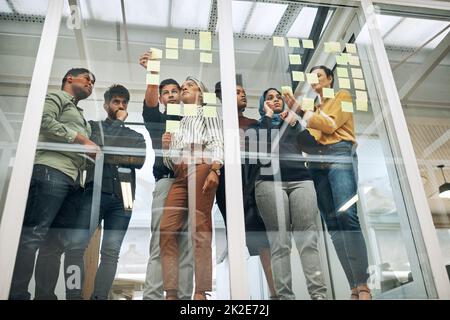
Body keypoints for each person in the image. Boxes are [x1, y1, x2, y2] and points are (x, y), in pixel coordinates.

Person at [33, 84, 146, 300]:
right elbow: (98, 148)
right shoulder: (93, 128)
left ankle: (99, 297)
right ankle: (73, 295)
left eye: (124, 102)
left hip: (125, 197)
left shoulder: (135, 134)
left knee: (111, 253)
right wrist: (116, 138)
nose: (120, 105)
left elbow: (139, 159)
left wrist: (110, 151)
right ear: (106, 105)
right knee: (76, 246)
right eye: (116, 101)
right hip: (94, 192)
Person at [283, 65, 372, 300]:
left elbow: (330, 125)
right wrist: (293, 124)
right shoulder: (312, 107)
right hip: (316, 161)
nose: (315, 80)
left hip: (339, 153)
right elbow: (311, 140)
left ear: (330, 79)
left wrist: (300, 112)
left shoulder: (342, 96)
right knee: (332, 226)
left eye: (319, 76)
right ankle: (354, 287)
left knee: (346, 216)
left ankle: (363, 285)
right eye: (312, 78)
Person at [9, 68, 97, 300]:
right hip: (51, 170)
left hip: (72, 179)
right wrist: (82, 140)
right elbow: (43, 120)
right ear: (70, 78)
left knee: (54, 244)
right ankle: (17, 294)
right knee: (34, 235)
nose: (91, 84)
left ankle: (45, 296)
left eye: (93, 83)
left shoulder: (81, 115)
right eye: (88, 79)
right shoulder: (55, 97)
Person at [252, 88, 327, 300]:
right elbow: (260, 151)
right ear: (262, 104)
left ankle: (319, 295)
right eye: (269, 98)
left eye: (277, 98)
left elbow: (313, 148)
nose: (275, 101)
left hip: (301, 180)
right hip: (269, 183)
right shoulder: (257, 126)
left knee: (308, 240)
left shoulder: (292, 124)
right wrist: (267, 118)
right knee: (280, 243)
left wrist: (295, 124)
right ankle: (285, 298)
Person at [160, 77, 223, 300]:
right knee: (166, 229)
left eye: (190, 84)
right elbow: (169, 161)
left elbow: (216, 140)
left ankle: (200, 291)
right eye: (183, 85)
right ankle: (171, 292)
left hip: (201, 163)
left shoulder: (207, 110)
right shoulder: (178, 120)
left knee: (200, 226)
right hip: (179, 172)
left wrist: (215, 168)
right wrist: (166, 149)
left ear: (201, 91)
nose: (184, 87)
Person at [138, 50, 194, 300]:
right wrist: (152, 71)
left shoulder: (190, 120)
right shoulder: (156, 119)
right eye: (166, 92)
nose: (171, 94)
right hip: (166, 182)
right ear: (161, 98)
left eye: (175, 91)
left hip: (191, 184)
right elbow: (148, 102)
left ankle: (183, 299)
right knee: (161, 244)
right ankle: (152, 297)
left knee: (187, 247)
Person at [214, 82, 277, 299]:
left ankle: (275, 294)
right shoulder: (217, 124)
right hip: (225, 182)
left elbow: (265, 146)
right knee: (236, 235)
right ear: (222, 96)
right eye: (237, 92)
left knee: (261, 237)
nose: (243, 95)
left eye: (243, 92)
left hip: (251, 179)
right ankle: (239, 296)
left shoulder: (253, 123)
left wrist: (267, 118)